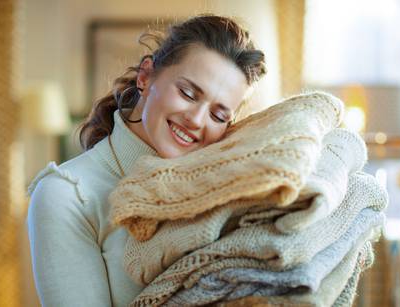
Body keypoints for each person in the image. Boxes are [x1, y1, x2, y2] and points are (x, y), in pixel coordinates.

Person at [26, 14, 267, 307]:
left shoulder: (223, 192)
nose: (196, 120)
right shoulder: (66, 195)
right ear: (145, 77)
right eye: (188, 93)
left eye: (218, 115)